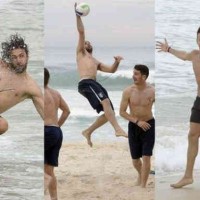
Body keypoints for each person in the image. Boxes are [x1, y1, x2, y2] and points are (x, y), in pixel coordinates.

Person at [74, 3, 127, 147]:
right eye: (85, 43)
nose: (87, 43)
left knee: (108, 110)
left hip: (95, 84)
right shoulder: (81, 54)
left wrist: (116, 62)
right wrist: (77, 16)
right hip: (86, 83)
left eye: (88, 43)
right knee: (105, 102)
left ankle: (88, 131)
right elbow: (81, 32)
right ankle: (117, 129)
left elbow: (111, 70)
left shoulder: (95, 61)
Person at [156, 27, 200, 188]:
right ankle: (188, 176)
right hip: (199, 101)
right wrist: (168, 49)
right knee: (192, 135)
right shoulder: (195, 55)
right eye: (199, 38)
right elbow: (183, 56)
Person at [0, 34, 44, 134]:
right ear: (10, 58)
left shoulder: (30, 87)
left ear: (27, 56)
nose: (19, 61)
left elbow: (46, 117)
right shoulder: (2, 67)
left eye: (21, 56)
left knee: (3, 125)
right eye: (14, 57)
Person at [120, 64, 155, 188]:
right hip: (134, 126)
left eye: (136, 74)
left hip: (149, 125)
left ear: (144, 76)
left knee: (146, 157)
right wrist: (137, 122)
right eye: (133, 73)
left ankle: (143, 186)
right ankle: (141, 175)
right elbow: (122, 112)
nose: (133, 76)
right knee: (135, 160)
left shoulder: (153, 91)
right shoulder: (128, 91)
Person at [44, 68, 70, 199]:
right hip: (56, 132)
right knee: (49, 171)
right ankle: (54, 198)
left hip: (46, 131)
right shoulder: (55, 93)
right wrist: (57, 126)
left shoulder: (38, 92)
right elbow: (66, 111)